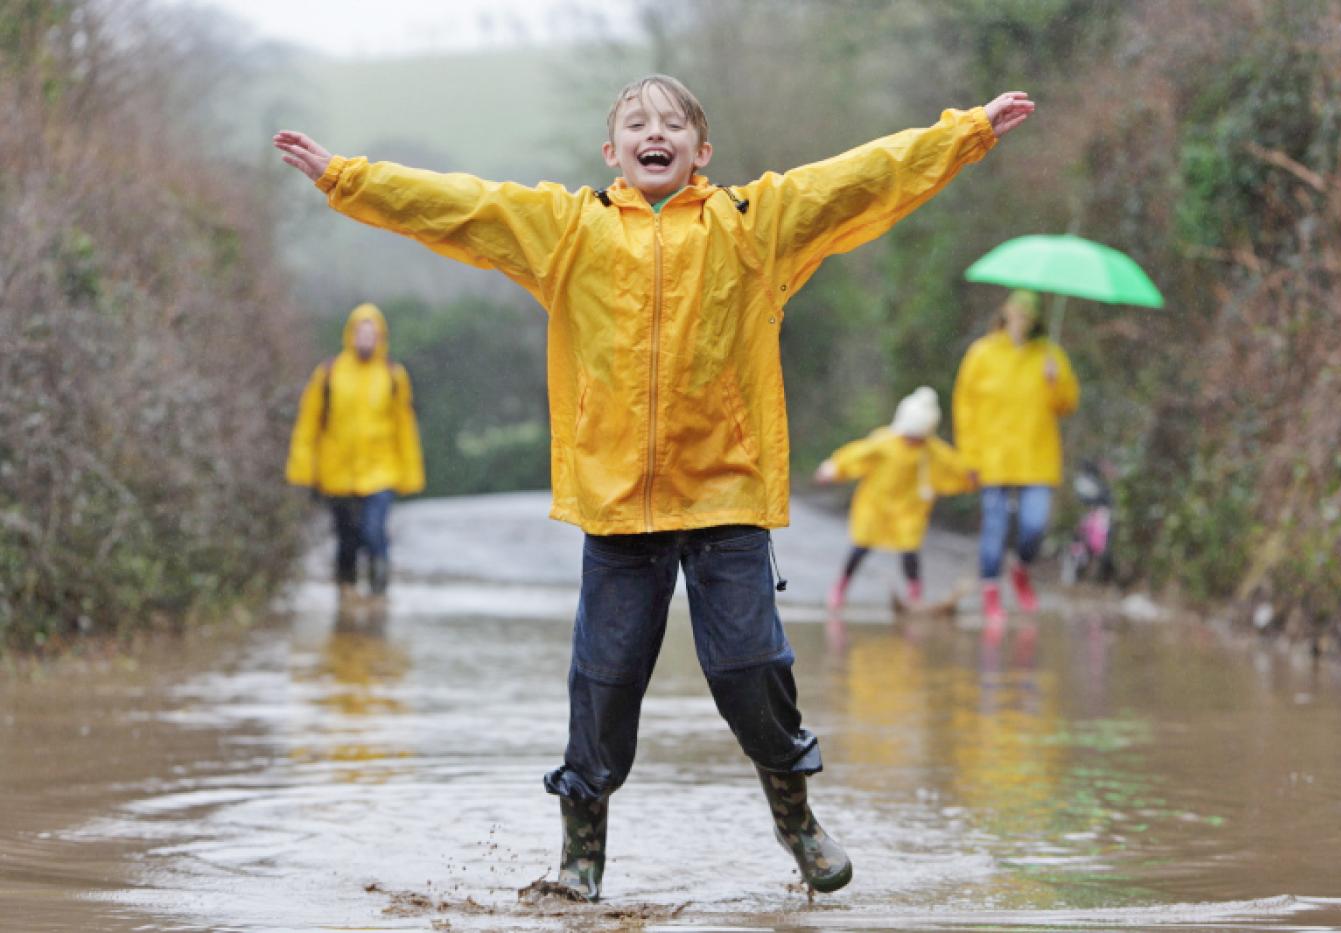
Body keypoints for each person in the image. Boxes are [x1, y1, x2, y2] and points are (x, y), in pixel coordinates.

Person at [274, 75, 1034, 900]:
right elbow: (458, 207)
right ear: (612, 152)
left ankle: (796, 818)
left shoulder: (753, 225)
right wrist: (344, 178)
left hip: (726, 497)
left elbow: (864, 178)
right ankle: (581, 860)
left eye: (673, 123)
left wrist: (967, 133)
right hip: (617, 506)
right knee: (602, 684)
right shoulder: (568, 230)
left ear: (702, 150)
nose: (654, 132)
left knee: (751, 667)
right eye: (637, 123)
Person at [952, 289, 1078, 635]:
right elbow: (964, 407)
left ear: (1036, 318)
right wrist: (969, 456)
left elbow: (1067, 404)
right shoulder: (982, 353)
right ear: (1005, 311)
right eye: (1018, 310)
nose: (1022, 317)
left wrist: (1056, 381)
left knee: (1034, 526)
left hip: (1037, 457)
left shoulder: (1050, 355)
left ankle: (1021, 569)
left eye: (1029, 312)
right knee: (994, 528)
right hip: (993, 457)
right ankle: (991, 593)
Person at [285, 303, 425, 599]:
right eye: (361, 332)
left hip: (381, 470)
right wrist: (302, 467)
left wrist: (410, 473)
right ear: (350, 334)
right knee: (346, 539)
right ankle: (346, 595)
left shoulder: (393, 375)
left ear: (381, 337)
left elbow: (405, 427)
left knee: (373, 531)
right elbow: (308, 423)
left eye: (371, 333)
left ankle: (378, 593)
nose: (366, 339)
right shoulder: (329, 373)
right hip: (337, 471)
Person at [815, 387, 974, 611]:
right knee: (861, 547)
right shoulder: (884, 442)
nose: (912, 442)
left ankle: (914, 595)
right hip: (876, 505)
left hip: (909, 508)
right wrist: (834, 468)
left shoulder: (930, 449)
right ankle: (841, 587)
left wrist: (970, 477)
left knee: (910, 550)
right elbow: (857, 454)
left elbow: (952, 464)